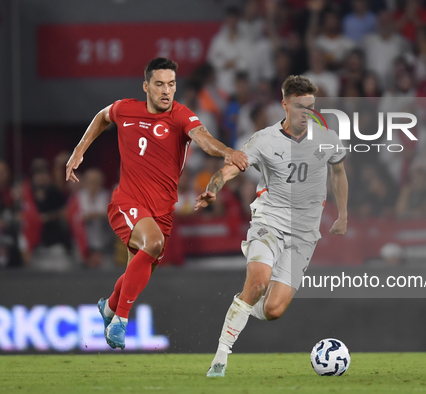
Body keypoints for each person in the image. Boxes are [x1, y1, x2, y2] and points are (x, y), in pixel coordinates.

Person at [65, 57, 248, 350]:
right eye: (160, 84)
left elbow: (203, 139)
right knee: (152, 243)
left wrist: (226, 150)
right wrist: (79, 151)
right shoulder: (127, 109)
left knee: (140, 268)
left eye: (172, 84)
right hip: (127, 202)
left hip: (162, 211)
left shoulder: (180, 115)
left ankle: (110, 306)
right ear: (146, 86)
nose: (166, 91)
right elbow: (102, 116)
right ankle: (120, 321)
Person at [195, 75, 349, 377]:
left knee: (273, 310)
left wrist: (342, 213)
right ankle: (221, 357)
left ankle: (242, 304)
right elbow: (229, 169)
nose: (306, 114)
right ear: (284, 105)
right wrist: (214, 187)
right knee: (258, 282)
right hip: (269, 222)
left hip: (304, 234)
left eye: (311, 107)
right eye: (300, 107)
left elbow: (339, 172)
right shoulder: (264, 140)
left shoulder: (327, 138)